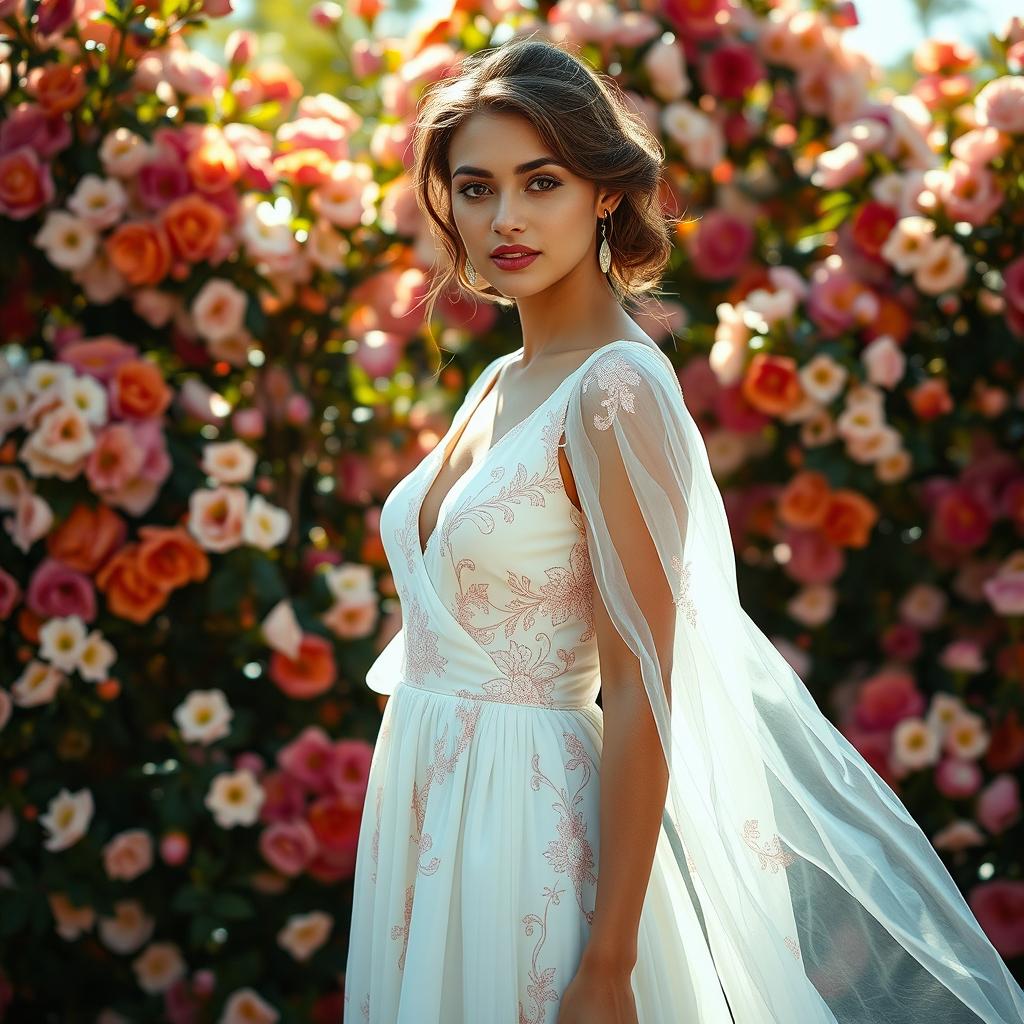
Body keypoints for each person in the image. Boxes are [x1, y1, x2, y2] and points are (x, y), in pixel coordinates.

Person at [343, 34, 1024, 1024]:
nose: (505, 218)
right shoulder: (498, 381)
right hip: (430, 812)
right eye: (476, 187)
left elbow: (640, 686)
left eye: (542, 182)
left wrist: (610, 958)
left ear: (604, 193)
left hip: (529, 831)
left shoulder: (614, 390)